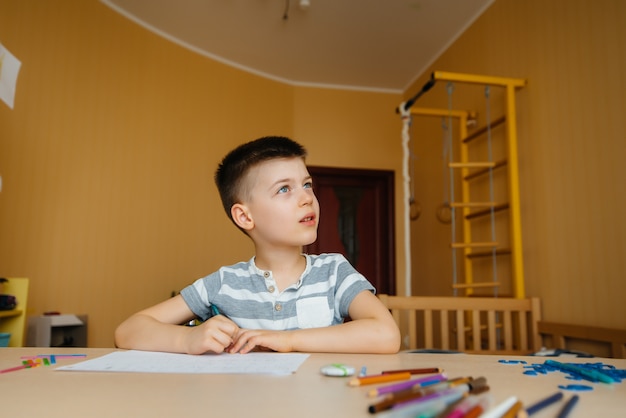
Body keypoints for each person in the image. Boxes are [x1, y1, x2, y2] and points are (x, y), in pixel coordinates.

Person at [115, 136, 401, 355]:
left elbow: (386, 335)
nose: (306, 198)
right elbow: (128, 331)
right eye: (284, 189)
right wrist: (186, 339)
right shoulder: (224, 283)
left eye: (307, 184)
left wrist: (288, 340)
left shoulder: (334, 271)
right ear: (244, 216)